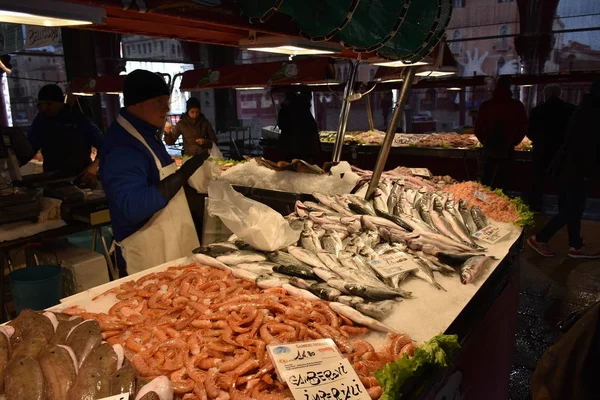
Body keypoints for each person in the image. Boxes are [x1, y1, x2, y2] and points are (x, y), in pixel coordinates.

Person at [99, 70, 209, 275]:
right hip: (148, 253)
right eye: (158, 101)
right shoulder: (123, 147)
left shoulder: (146, 133)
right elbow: (134, 207)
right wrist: (180, 177)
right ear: (136, 103)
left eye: (167, 101)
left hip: (170, 245)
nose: (166, 108)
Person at [527, 81, 600, 259]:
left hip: (561, 162)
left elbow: (529, 133)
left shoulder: (585, 107)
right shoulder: (583, 109)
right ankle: (541, 237)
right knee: (573, 208)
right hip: (577, 166)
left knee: (572, 206)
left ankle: (576, 244)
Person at [28, 84, 103, 186]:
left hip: (82, 177)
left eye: (48, 104)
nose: (44, 109)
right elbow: (29, 148)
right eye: (40, 105)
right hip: (52, 179)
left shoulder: (77, 118)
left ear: (60, 103)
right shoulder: (40, 121)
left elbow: (104, 146)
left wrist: (93, 168)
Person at [528, 84, 576, 211]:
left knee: (538, 180)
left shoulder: (537, 110)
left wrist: (537, 140)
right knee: (563, 182)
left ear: (547, 94)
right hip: (562, 152)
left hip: (541, 150)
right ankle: (563, 208)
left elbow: (529, 132)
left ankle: (535, 206)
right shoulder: (571, 109)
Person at [474, 76, 528, 189]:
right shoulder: (517, 105)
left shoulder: (486, 105)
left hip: (490, 147)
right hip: (507, 148)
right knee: (504, 181)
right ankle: (502, 204)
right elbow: (523, 127)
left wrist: (485, 141)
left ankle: (484, 204)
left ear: (496, 86)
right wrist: (514, 142)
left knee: (486, 182)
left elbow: (477, 128)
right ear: (510, 87)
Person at [278, 92, 321, 163]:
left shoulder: (286, 108)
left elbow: (282, 125)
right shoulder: (302, 109)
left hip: (291, 149)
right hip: (301, 151)